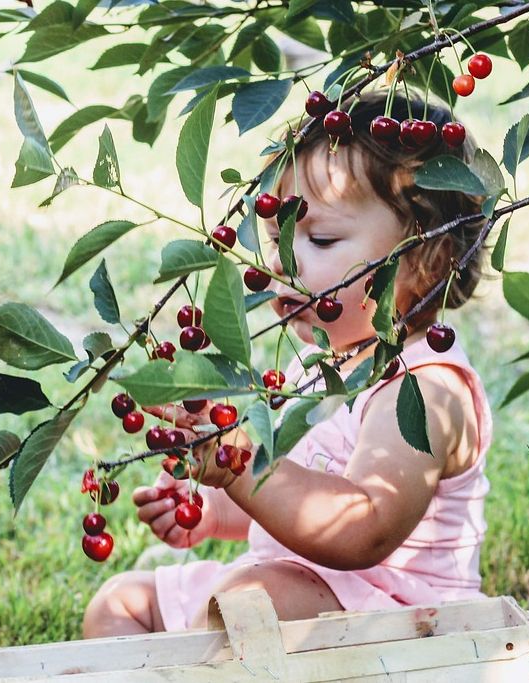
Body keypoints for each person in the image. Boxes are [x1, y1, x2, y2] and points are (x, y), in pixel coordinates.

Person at [83, 90, 491, 636]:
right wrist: (213, 507)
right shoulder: (320, 366)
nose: (282, 263)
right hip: (289, 585)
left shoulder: (425, 390)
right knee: (121, 602)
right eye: (278, 237)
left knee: (247, 606)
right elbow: (286, 504)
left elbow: (363, 527)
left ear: (426, 259)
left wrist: (241, 470)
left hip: (397, 620)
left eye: (319, 238)